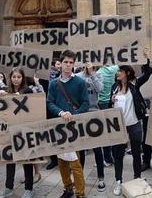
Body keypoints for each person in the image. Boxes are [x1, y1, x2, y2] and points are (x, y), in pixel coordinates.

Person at [46, 50, 90, 198]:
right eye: (66, 62)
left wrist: (73, 115)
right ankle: (68, 188)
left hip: (74, 126)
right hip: (59, 125)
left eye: (71, 62)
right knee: (62, 161)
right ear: (61, 63)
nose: (68, 65)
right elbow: (49, 103)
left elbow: (86, 103)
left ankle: (80, 192)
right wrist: (60, 112)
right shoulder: (53, 84)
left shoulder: (80, 82)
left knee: (75, 163)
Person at [0, 68, 38, 198]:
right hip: (10, 131)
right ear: (10, 78)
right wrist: (1, 94)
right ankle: (8, 187)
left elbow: (29, 102)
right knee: (10, 161)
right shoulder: (7, 91)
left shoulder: (28, 90)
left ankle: (29, 188)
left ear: (23, 78)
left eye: (19, 77)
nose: (16, 79)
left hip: (24, 131)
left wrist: (14, 96)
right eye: (14, 77)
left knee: (27, 160)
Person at [109, 64, 151, 196]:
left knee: (136, 153)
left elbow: (148, 72)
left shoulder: (134, 85)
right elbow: (110, 105)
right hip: (119, 126)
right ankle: (118, 181)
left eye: (120, 71)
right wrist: (111, 100)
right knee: (118, 155)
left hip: (134, 124)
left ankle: (137, 179)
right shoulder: (114, 87)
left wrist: (145, 59)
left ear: (127, 73)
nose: (118, 73)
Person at [75, 63, 107, 192]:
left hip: (94, 113)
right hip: (81, 114)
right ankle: (80, 176)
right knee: (81, 148)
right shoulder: (77, 76)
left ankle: (101, 178)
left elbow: (100, 89)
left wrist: (93, 73)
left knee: (97, 148)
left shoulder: (98, 75)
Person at [96, 63, 119, 166]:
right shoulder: (114, 68)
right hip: (112, 102)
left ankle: (108, 158)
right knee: (112, 131)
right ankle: (114, 156)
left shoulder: (98, 73)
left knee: (104, 132)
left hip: (101, 103)